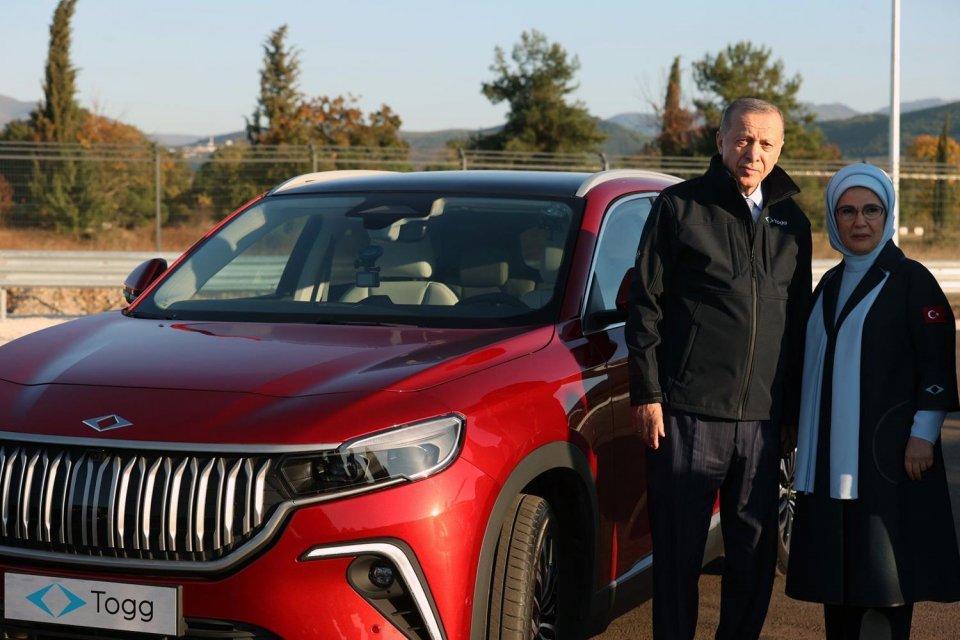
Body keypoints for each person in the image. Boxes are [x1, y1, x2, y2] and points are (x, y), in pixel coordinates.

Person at [627, 96, 812, 640]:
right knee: (679, 558)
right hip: (687, 414)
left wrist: (791, 412)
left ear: (780, 149)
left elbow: (798, 321)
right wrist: (648, 393)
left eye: (766, 143)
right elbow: (645, 304)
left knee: (753, 559)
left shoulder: (793, 222)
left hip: (763, 422)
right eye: (743, 139)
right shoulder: (679, 207)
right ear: (721, 140)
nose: (753, 153)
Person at [785, 163, 960, 639]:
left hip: (890, 457)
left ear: (888, 215)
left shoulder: (912, 279)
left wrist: (923, 436)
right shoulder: (828, 284)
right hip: (830, 463)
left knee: (884, 582)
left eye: (871, 210)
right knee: (839, 581)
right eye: (847, 211)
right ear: (833, 218)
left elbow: (937, 364)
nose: (859, 221)